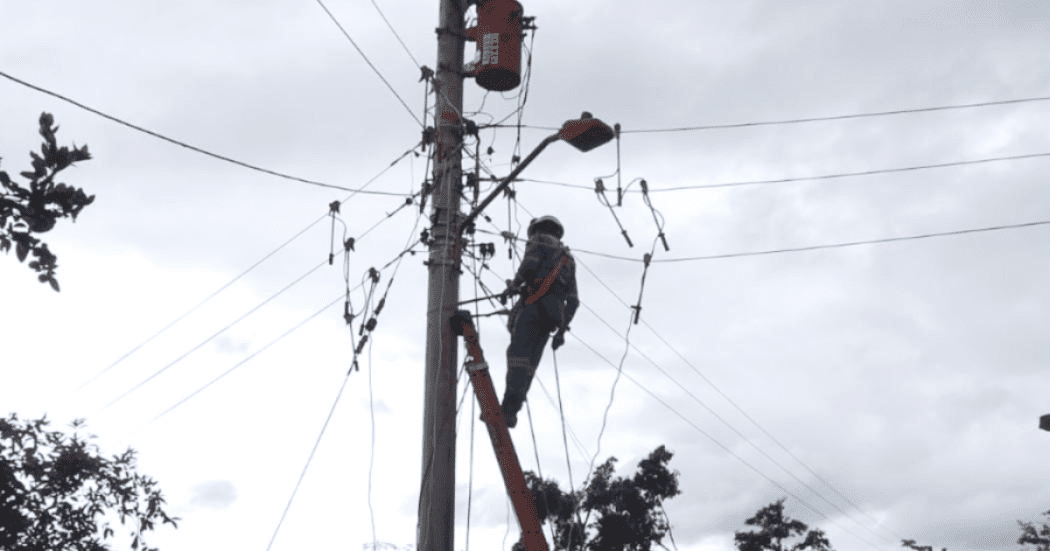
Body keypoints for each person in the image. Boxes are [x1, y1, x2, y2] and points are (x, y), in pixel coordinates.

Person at [500, 215, 579, 428]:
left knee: (517, 357)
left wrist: (513, 286)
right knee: (529, 365)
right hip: (552, 318)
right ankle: (512, 411)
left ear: (537, 229)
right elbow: (573, 301)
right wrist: (561, 333)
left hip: (534, 308)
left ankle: (507, 409)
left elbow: (528, 265)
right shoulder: (568, 260)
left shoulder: (539, 240)